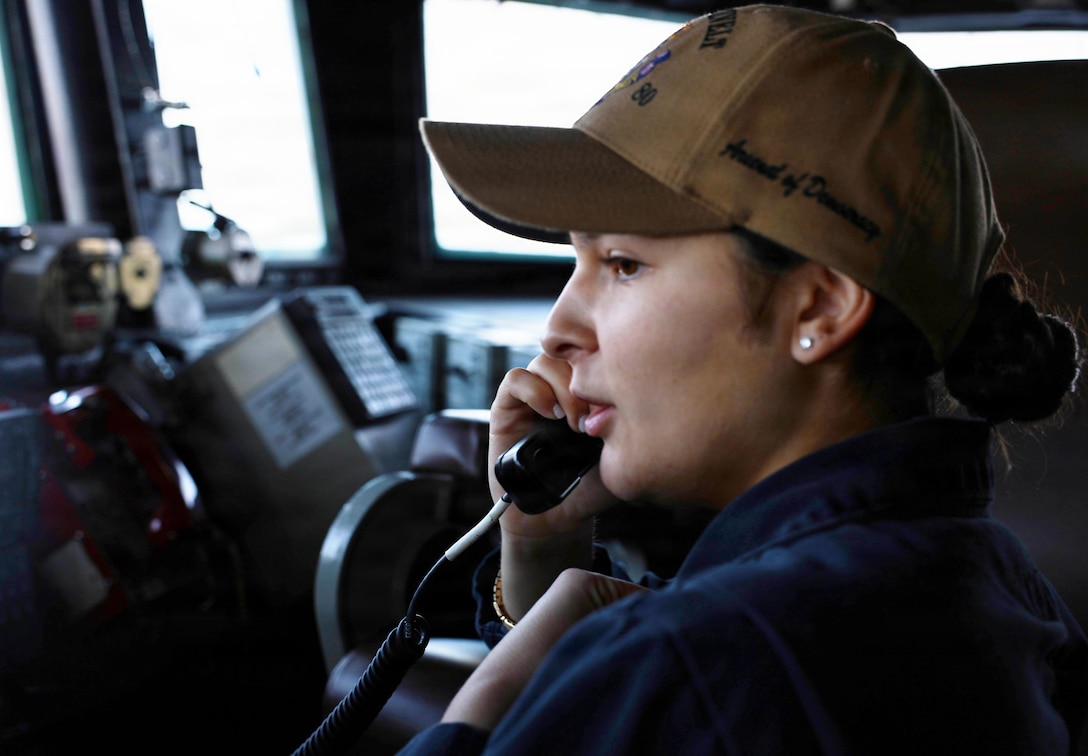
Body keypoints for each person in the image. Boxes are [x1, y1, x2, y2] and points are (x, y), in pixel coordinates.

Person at [401, 4, 1088, 754]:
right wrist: (542, 542)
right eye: (577, 263)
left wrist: (476, 720)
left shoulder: (696, 660)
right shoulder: (1000, 582)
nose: (558, 330)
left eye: (623, 264)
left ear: (820, 307)